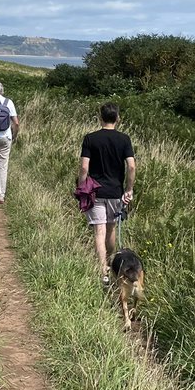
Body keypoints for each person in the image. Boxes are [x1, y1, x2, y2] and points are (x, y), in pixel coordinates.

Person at [78, 102, 136, 285]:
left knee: (99, 231)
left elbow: (83, 167)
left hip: (95, 191)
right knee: (111, 229)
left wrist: (82, 186)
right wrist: (129, 189)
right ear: (118, 118)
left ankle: (103, 271)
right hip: (115, 191)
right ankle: (110, 264)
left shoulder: (90, 138)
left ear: (100, 117)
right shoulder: (124, 139)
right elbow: (132, 166)